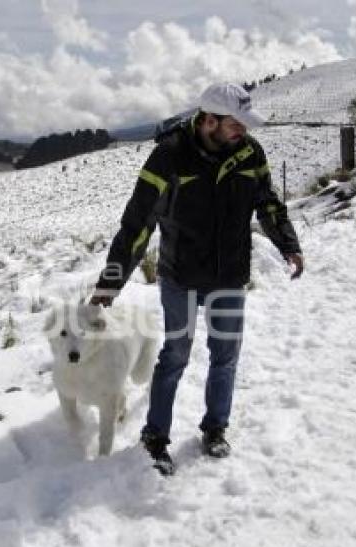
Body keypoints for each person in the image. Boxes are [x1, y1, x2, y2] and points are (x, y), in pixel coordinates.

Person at [89, 82, 304, 475]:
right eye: (236, 123)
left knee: (225, 357)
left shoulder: (249, 152)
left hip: (228, 277)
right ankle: (155, 437)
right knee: (175, 357)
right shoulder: (170, 157)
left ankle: (215, 428)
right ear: (209, 121)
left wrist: (288, 243)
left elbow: (268, 201)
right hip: (182, 278)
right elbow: (138, 221)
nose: (244, 130)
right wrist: (111, 281)